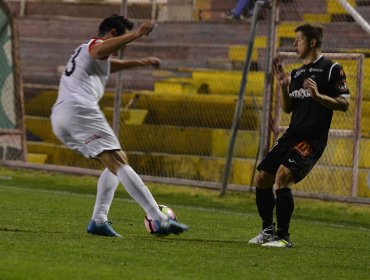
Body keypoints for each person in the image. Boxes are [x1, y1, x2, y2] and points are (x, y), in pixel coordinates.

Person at [50, 15, 188, 238]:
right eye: (121, 38)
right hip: (79, 110)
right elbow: (100, 51)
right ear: (113, 33)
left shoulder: (85, 52)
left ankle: (99, 221)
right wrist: (136, 34)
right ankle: (157, 217)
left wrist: (140, 62)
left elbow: (106, 63)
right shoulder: (95, 45)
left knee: (114, 162)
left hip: (61, 117)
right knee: (118, 161)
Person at [249, 23, 350, 248]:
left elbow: (343, 104)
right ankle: (267, 231)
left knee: (282, 177)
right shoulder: (297, 73)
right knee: (262, 177)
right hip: (291, 135)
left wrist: (318, 95)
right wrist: (283, 87)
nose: (294, 44)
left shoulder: (332, 69)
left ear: (312, 43)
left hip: (312, 139)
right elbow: (288, 109)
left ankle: (283, 237)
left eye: (298, 40)